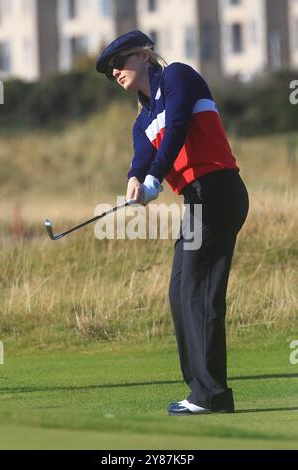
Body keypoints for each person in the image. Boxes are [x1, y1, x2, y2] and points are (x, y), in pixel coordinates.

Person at [95, 31, 249, 415]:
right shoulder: (142, 115)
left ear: (145, 55)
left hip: (218, 191)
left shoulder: (177, 77)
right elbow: (143, 154)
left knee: (199, 292)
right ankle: (199, 390)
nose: (115, 72)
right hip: (198, 200)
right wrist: (135, 178)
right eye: (109, 70)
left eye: (121, 62)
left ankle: (211, 396)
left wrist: (154, 179)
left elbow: (177, 128)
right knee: (181, 292)